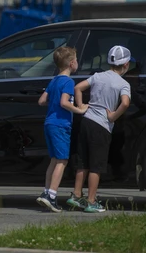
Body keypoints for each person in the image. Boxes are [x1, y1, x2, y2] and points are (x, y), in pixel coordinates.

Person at [68, 45, 132, 213]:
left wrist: (81, 105)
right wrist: (113, 116)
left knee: (83, 162)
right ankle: (91, 201)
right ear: (126, 65)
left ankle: (76, 195)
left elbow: (78, 88)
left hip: (86, 121)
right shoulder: (124, 84)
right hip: (102, 126)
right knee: (96, 165)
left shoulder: (97, 76)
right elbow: (125, 103)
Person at [35, 46, 88, 212]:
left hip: (49, 123)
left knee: (54, 160)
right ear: (72, 63)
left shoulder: (54, 80)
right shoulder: (68, 82)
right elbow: (64, 102)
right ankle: (51, 195)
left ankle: (46, 192)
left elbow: (41, 101)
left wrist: (54, 103)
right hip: (60, 125)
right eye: (77, 60)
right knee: (62, 161)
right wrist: (79, 110)